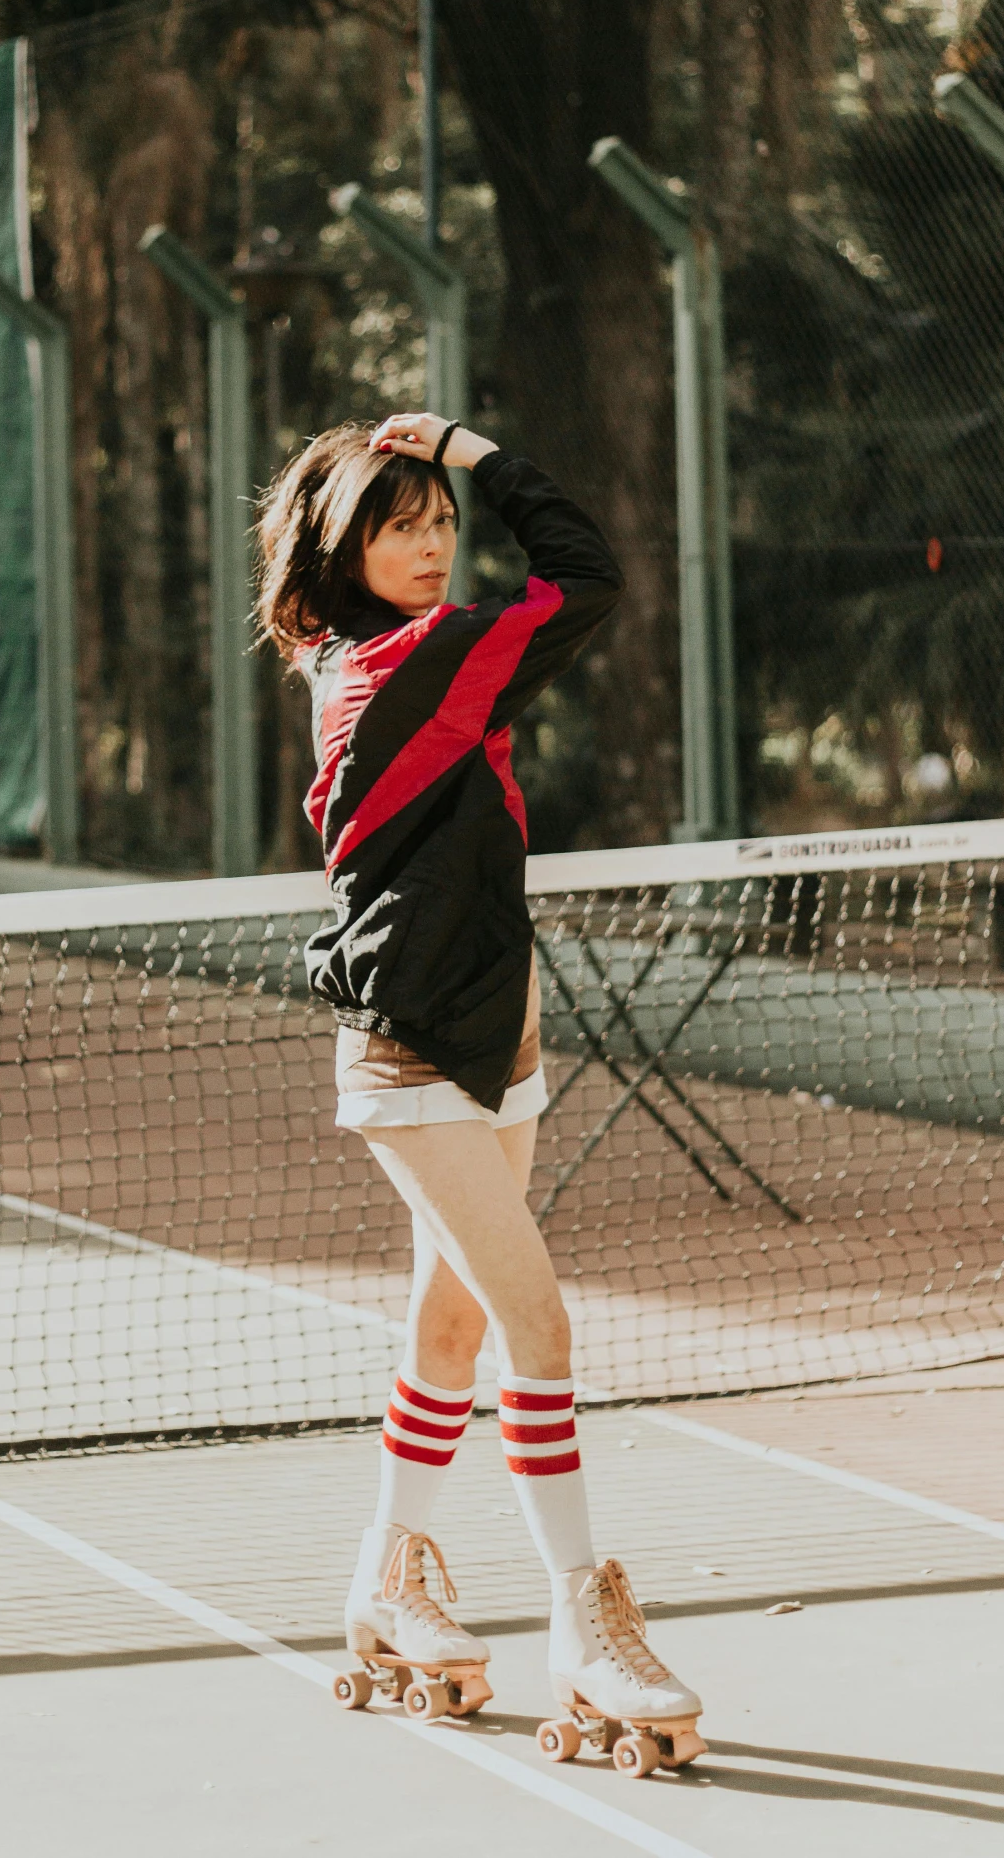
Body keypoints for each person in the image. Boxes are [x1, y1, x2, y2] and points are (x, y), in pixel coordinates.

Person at [256, 410, 703, 1749]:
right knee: (539, 1329)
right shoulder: (416, 661)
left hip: (498, 1038)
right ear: (342, 543)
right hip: (410, 1058)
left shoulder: (413, 656)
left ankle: (388, 1579)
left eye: (441, 519)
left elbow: (571, 589)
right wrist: (473, 451)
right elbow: (589, 577)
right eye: (403, 523)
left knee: (447, 1333)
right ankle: (584, 1623)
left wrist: (457, 465)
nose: (435, 540)